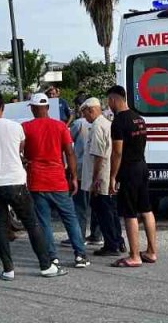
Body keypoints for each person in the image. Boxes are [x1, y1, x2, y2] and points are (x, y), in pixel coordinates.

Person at [0, 91, 66, 281]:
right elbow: (20, 149)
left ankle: (8, 269)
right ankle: (45, 265)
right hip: (15, 181)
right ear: (3, 107)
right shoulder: (15, 127)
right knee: (32, 224)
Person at [23, 92, 90, 269]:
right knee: (70, 218)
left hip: (36, 180)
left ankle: (52, 257)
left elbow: (20, 153)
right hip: (58, 180)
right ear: (47, 108)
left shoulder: (25, 128)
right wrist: (74, 177)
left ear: (33, 109)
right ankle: (80, 255)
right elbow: (70, 153)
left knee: (44, 222)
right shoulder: (60, 127)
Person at [107, 85, 158, 268]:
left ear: (113, 99)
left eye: (109, 101)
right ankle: (151, 252)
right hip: (142, 166)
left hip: (128, 170)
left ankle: (134, 255)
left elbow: (117, 152)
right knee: (146, 209)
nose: (109, 105)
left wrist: (113, 176)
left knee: (129, 213)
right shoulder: (139, 119)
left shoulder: (119, 122)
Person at [81, 97, 125, 256]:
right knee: (111, 211)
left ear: (91, 110)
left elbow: (99, 156)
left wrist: (94, 181)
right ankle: (118, 241)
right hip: (106, 177)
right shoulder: (106, 123)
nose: (84, 117)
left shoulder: (98, 126)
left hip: (101, 178)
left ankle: (111, 245)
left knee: (104, 212)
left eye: (84, 113)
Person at [68, 101, 99, 243]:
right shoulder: (102, 122)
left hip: (80, 167)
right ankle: (96, 234)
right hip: (96, 168)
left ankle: (79, 235)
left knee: (80, 205)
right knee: (96, 204)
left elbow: (68, 141)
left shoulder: (79, 123)